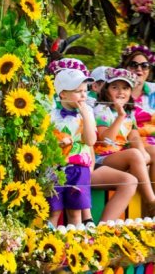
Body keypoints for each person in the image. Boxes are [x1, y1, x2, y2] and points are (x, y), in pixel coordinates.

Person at [93, 68, 155, 212]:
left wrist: (142, 152)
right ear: (106, 90)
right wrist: (119, 116)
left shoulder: (128, 113)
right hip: (102, 158)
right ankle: (151, 202)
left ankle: (152, 197)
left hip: (120, 155)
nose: (121, 92)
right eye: (115, 87)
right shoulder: (101, 110)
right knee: (133, 154)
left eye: (125, 88)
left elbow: (133, 136)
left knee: (152, 151)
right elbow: (106, 139)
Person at [48, 69, 96, 226]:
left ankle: (75, 245)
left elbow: (90, 141)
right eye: (78, 91)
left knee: (75, 212)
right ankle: (48, 243)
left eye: (85, 91)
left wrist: (86, 116)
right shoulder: (51, 115)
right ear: (63, 94)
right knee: (53, 210)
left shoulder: (87, 112)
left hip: (78, 168)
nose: (84, 95)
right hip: (54, 168)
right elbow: (45, 142)